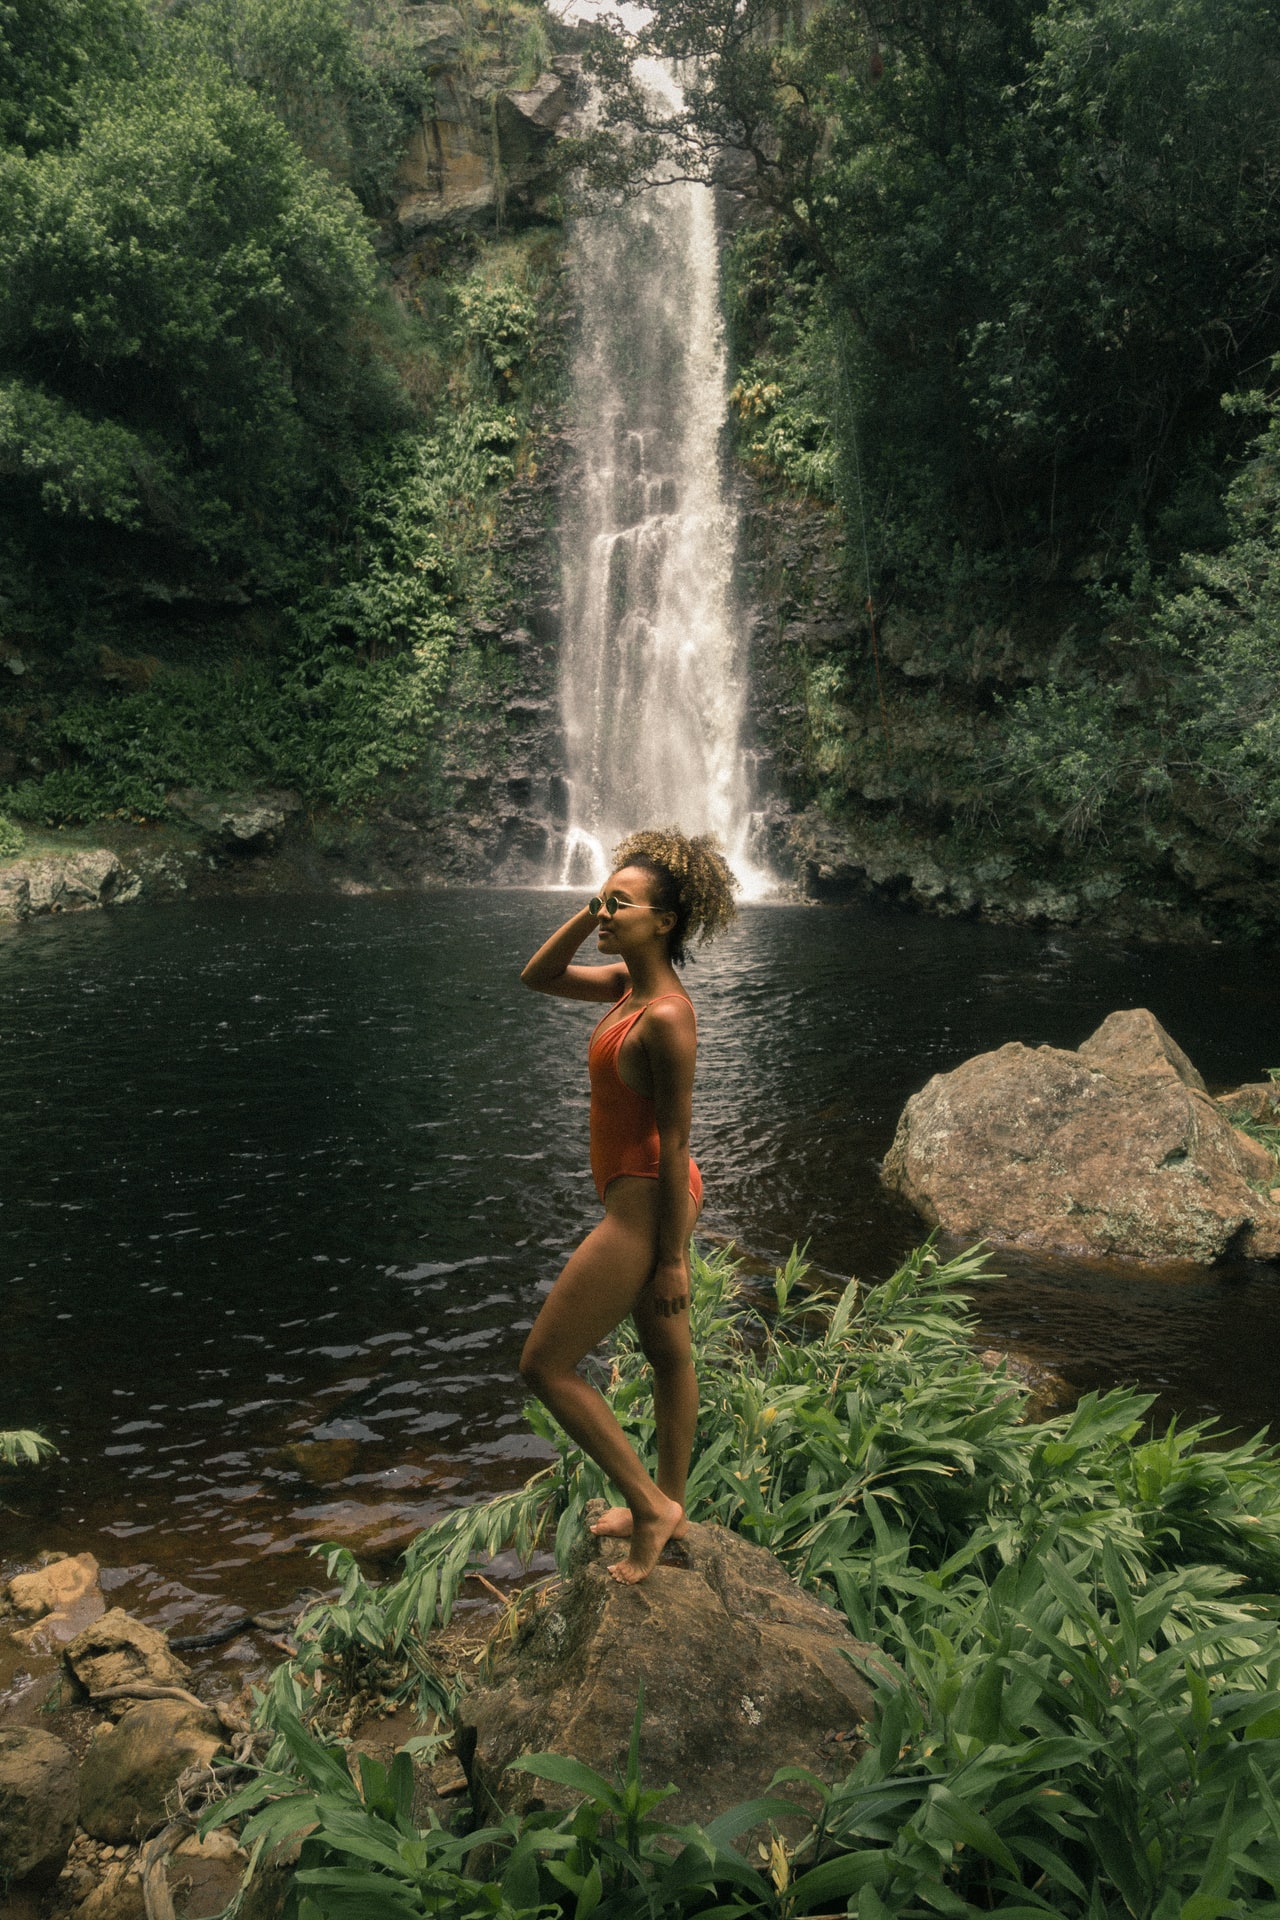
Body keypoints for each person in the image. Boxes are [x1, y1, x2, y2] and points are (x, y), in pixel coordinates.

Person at [518, 828, 738, 1583]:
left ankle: (647, 1505)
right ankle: (671, 1507)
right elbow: (538, 976)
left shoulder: (668, 1017)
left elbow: (676, 1140)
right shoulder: (624, 987)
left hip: (648, 1204)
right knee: (667, 1355)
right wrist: (589, 909)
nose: (606, 913)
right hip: (642, 1194)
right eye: (601, 900)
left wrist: (671, 1258)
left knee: (545, 1365)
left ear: (666, 921)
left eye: (621, 904)